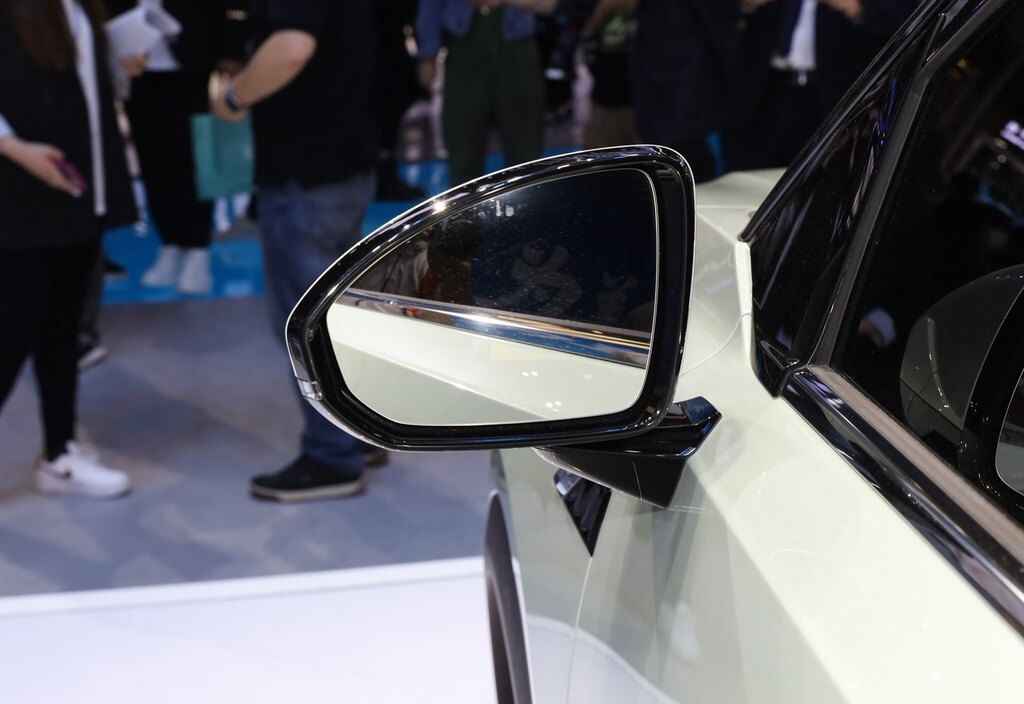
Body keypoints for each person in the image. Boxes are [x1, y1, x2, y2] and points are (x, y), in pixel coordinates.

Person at [211, 0, 383, 502]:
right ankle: (354, 433)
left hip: (306, 170)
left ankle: (333, 455)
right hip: (344, 160)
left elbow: (292, 47)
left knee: (306, 323)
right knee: (339, 316)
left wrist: (234, 97)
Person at [0, 0, 136, 497]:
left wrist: (119, 70)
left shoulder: (76, 8)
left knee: (61, 330)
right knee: (13, 330)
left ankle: (59, 453)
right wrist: (13, 147)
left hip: (78, 190)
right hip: (22, 193)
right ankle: (60, 452)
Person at [107, 0, 228, 295]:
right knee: (153, 162)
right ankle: (170, 242)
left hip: (189, 73)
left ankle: (198, 247)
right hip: (139, 76)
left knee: (192, 160)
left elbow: (214, 16)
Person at [729, 0, 919, 170]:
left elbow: (906, 19)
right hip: (764, 90)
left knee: (820, 176)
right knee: (748, 174)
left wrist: (857, 7)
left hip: (835, 96)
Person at [416, 0, 559, 189]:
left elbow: (550, 4)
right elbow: (430, 6)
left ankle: (529, 201)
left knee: (525, 147)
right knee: (462, 144)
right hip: (463, 47)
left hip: (517, 49)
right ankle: (465, 204)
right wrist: (428, 54)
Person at [373, 0, 427, 202]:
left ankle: (385, 176)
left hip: (389, 54)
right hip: (375, 55)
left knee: (388, 122)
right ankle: (382, 177)